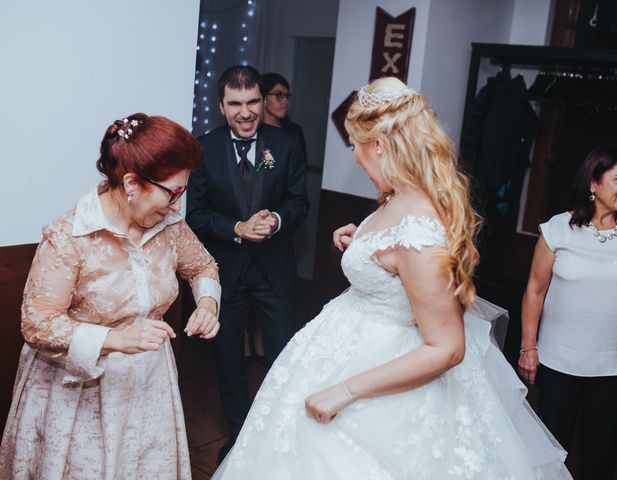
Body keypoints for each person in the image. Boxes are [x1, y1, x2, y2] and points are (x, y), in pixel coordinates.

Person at [211, 77, 571, 479]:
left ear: (378, 146)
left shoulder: (420, 229)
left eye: (356, 147)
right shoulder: (399, 196)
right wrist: (361, 241)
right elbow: (393, 258)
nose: (356, 158)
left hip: (378, 376)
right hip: (344, 348)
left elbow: (447, 347)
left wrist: (344, 390)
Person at [0, 113, 221, 479]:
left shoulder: (171, 227)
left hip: (150, 387)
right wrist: (116, 339)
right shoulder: (68, 236)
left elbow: (203, 267)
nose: (178, 206)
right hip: (79, 394)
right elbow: (37, 322)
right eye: (174, 192)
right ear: (132, 182)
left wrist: (208, 303)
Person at [186, 65, 309, 463]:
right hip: (227, 272)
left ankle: (274, 437)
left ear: (261, 101)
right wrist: (237, 226)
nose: (246, 111)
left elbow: (299, 202)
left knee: (280, 359)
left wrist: (276, 220)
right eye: (235, 103)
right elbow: (196, 215)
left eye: (253, 101)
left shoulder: (286, 144)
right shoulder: (202, 150)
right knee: (228, 360)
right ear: (221, 106)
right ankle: (240, 437)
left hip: (274, 272)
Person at [519, 145, 617, 479]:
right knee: (551, 452)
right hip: (559, 362)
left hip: (614, 367)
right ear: (593, 184)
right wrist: (528, 347)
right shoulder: (557, 230)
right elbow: (534, 291)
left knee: (601, 456)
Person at [260, 72, 306, 155]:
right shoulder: (252, 130)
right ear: (263, 97)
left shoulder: (294, 131)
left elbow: (301, 165)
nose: (286, 102)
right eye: (279, 95)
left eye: (287, 96)